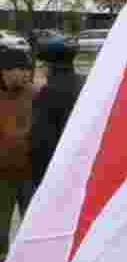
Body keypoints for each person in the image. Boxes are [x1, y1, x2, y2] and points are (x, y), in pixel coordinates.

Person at [27, 36, 86, 205]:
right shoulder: (84, 83)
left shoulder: (48, 93)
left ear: (48, 66)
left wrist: (39, 180)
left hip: (57, 172)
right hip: (81, 166)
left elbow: (41, 141)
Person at [0, 46, 33, 262]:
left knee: (32, 221)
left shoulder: (35, 94)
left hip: (30, 171)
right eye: (20, 69)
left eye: (27, 70)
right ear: (5, 71)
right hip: (2, 174)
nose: (26, 74)